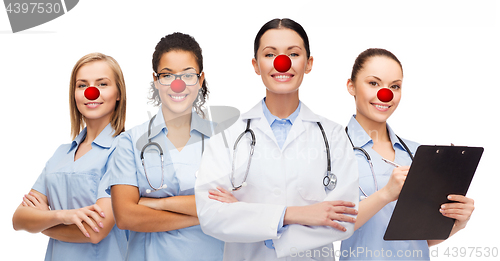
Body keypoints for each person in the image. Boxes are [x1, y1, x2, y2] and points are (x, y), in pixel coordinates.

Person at [195, 18, 359, 260]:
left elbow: (343, 220)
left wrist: (245, 213)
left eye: (293, 54)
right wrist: (293, 214)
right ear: (256, 65)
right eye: (270, 55)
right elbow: (211, 216)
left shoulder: (333, 136)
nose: (282, 64)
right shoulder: (228, 135)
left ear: (308, 63)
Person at [340, 48, 475, 260]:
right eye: (373, 83)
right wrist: (385, 194)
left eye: (394, 86)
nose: (386, 94)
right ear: (351, 86)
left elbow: (419, 239)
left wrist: (457, 222)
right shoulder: (332, 151)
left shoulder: (417, 153)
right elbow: (330, 227)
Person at [108, 32, 224, 261]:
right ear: (156, 80)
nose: (178, 85)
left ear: (200, 80)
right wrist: (202, 216)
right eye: (167, 75)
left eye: (188, 75)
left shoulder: (223, 140)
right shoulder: (130, 142)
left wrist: (157, 204)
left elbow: (233, 208)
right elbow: (125, 216)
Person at [12, 52, 128, 261]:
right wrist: (62, 216)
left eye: (102, 84)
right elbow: (19, 219)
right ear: (74, 94)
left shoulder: (123, 151)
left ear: (118, 93)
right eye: (82, 85)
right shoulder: (60, 154)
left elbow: (95, 231)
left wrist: (42, 224)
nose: (91, 92)